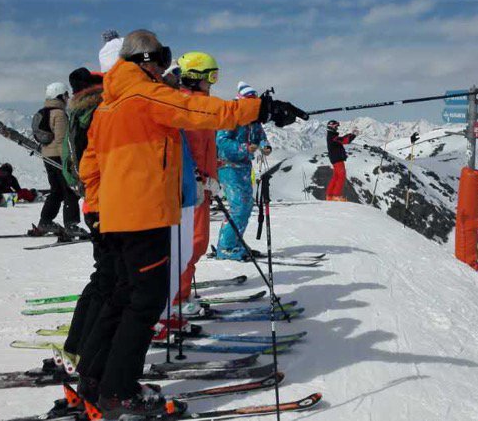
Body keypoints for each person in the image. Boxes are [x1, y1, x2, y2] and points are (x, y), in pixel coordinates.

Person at [75, 29, 306, 418]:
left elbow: (90, 165)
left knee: (122, 296)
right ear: (145, 60)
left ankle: (95, 380)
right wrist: (261, 109)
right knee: (144, 302)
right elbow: (202, 112)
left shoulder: (108, 106)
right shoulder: (143, 94)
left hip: (116, 216)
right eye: (162, 58)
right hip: (143, 214)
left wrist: (96, 211)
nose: (165, 68)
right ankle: (118, 391)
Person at [59, 67, 112, 359]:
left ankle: (78, 346)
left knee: (102, 277)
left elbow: (72, 169)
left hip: (92, 203)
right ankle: (87, 350)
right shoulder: (98, 115)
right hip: (107, 204)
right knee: (108, 280)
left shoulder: (76, 118)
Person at [175, 52, 220, 301]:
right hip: (192, 188)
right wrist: (202, 179)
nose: (212, 82)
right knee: (192, 243)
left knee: (195, 243)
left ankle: (179, 293)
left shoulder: (199, 105)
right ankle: (176, 298)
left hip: (201, 186)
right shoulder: (189, 106)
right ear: (194, 77)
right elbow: (189, 151)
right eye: (211, 76)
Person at [214, 81, 272, 260]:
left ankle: (235, 242)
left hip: (245, 167)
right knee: (238, 207)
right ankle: (226, 248)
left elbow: (260, 136)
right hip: (228, 166)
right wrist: (244, 148)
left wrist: (265, 146)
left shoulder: (253, 120)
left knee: (246, 206)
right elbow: (222, 142)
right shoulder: (232, 117)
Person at [30, 81, 83, 237]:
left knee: (56, 191)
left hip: (48, 157)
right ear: (59, 95)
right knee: (70, 191)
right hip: (60, 158)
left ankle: (45, 221)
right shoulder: (59, 114)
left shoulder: (45, 112)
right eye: (66, 95)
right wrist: (69, 162)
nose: (68, 98)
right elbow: (63, 140)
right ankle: (71, 225)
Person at [325, 119, 357, 201]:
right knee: (341, 176)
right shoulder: (332, 137)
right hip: (337, 159)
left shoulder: (331, 136)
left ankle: (330, 196)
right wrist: (353, 135)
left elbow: (342, 139)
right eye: (336, 126)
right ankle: (336, 196)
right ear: (331, 127)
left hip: (335, 158)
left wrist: (351, 134)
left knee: (336, 177)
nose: (337, 128)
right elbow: (344, 140)